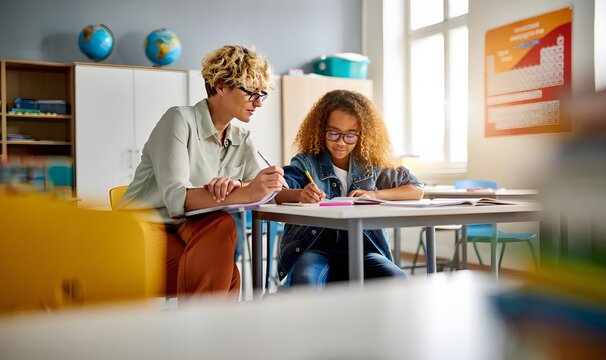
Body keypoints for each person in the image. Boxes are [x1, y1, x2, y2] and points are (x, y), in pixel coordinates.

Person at [117, 45, 285, 301]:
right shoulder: (179, 120)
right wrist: (242, 191)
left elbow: (267, 193)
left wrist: (301, 194)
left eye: (262, 94)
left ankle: (201, 334)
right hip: (144, 227)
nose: (259, 102)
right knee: (229, 276)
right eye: (252, 92)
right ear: (220, 85)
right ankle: (209, 335)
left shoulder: (241, 137)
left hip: (189, 229)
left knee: (222, 225)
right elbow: (177, 200)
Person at [275, 89, 425, 289]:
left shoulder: (372, 165)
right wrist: (300, 194)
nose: (340, 142)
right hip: (315, 250)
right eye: (333, 133)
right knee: (306, 281)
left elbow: (416, 189)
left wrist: (375, 194)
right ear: (321, 130)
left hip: (364, 250)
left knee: (396, 279)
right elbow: (278, 191)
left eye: (350, 136)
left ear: (362, 135)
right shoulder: (307, 163)